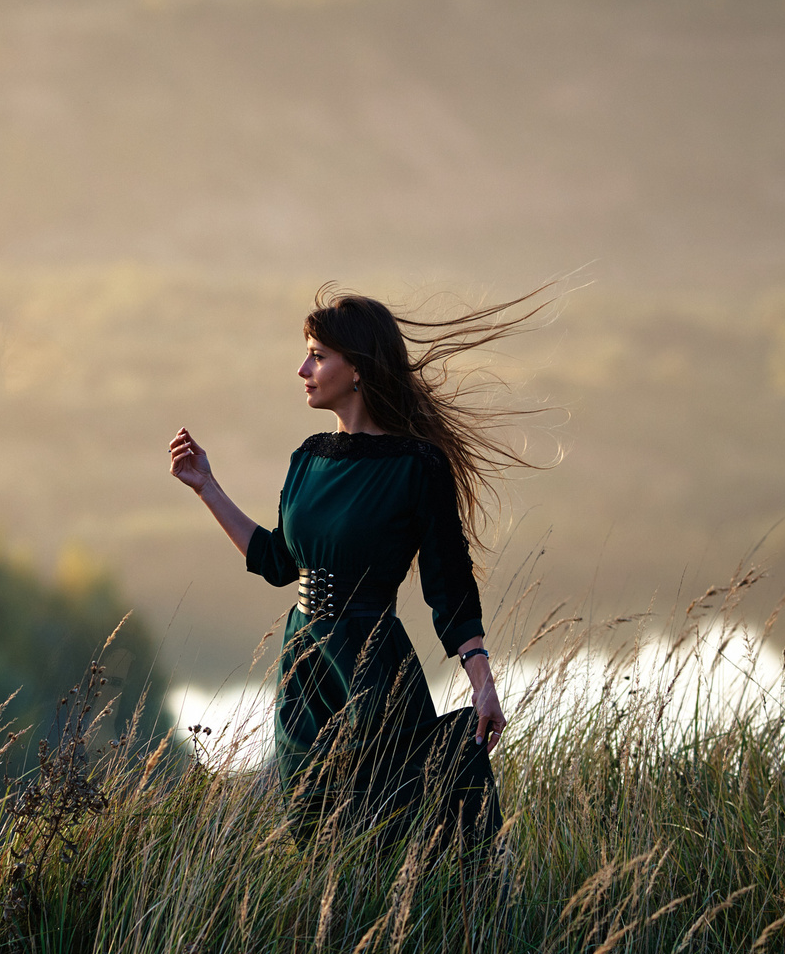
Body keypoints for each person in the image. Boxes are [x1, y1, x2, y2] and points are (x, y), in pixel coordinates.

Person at [169, 288, 537, 849]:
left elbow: (450, 586)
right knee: (312, 827)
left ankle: (448, 900)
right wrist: (206, 487)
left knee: (387, 825)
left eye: (317, 356)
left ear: (358, 367)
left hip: (371, 669)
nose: (303, 370)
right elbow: (279, 562)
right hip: (304, 669)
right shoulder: (308, 458)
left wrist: (483, 684)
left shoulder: (417, 466)